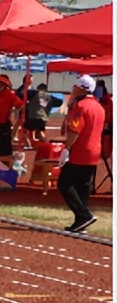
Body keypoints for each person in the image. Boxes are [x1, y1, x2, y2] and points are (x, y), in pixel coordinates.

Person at [58, 75, 105, 233]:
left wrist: (66, 149)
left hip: (81, 151)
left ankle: (83, 215)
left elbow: (75, 130)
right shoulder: (99, 107)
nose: (72, 89)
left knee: (65, 183)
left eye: (75, 87)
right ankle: (82, 221)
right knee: (83, 186)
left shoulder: (81, 106)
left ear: (81, 88)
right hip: (94, 151)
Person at [0, 73, 24, 158]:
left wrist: (12, 111)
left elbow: (20, 105)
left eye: (1, 83)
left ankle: (6, 166)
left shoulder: (10, 95)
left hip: (4, 124)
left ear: (5, 85)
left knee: (5, 148)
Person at [22, 82, 60, 147]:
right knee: (39, 132)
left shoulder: (34, 93)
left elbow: (23, 93)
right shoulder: (49, 96)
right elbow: (59, 102)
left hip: (33, 116)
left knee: (24, 130)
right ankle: (46, 144)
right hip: (43, 118)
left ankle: (28, 144)